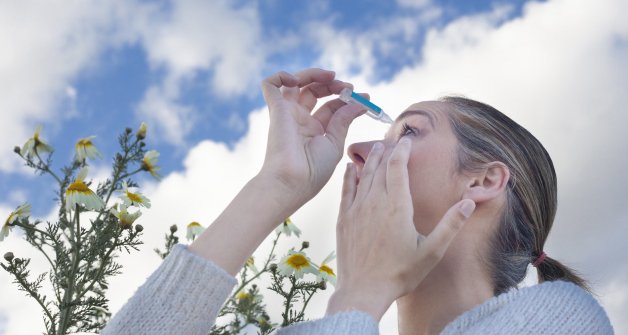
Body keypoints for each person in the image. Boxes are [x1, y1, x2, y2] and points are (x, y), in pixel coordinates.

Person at [101, 68, 613, 334]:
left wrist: (358, 296)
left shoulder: (564, 316)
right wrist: (276, 185)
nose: (360, 150)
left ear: (482, 182)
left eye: (408, 131)